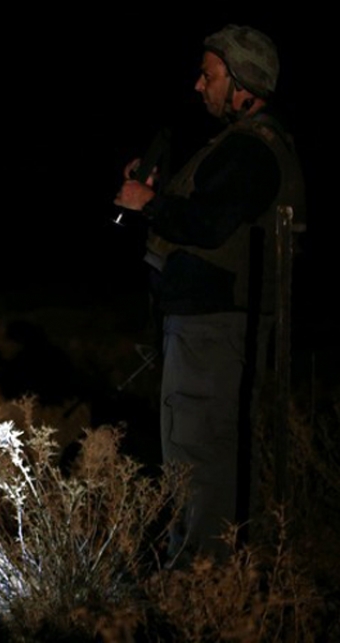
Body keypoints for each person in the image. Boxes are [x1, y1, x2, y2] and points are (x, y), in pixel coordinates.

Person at [114, 25, 305, 562]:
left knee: (197, 451)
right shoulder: (243, 145)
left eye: (209, 75)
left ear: (243, 83)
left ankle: (201, 576)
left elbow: (210, 224)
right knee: (210, 449)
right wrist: (157, 193)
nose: (199, 86)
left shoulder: (251, 148)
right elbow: (212, 213)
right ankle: (216, 569)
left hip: (213, 328)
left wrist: (148, 203)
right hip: (213, 325)